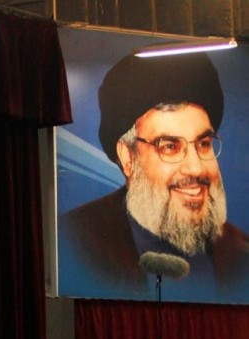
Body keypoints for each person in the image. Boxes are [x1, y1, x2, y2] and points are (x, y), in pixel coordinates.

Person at [57, 51, 249, 302]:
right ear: (128, 157)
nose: (195, 168)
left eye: (203, 144)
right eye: (169, 147)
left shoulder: (241, 254)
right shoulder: (73, 243)